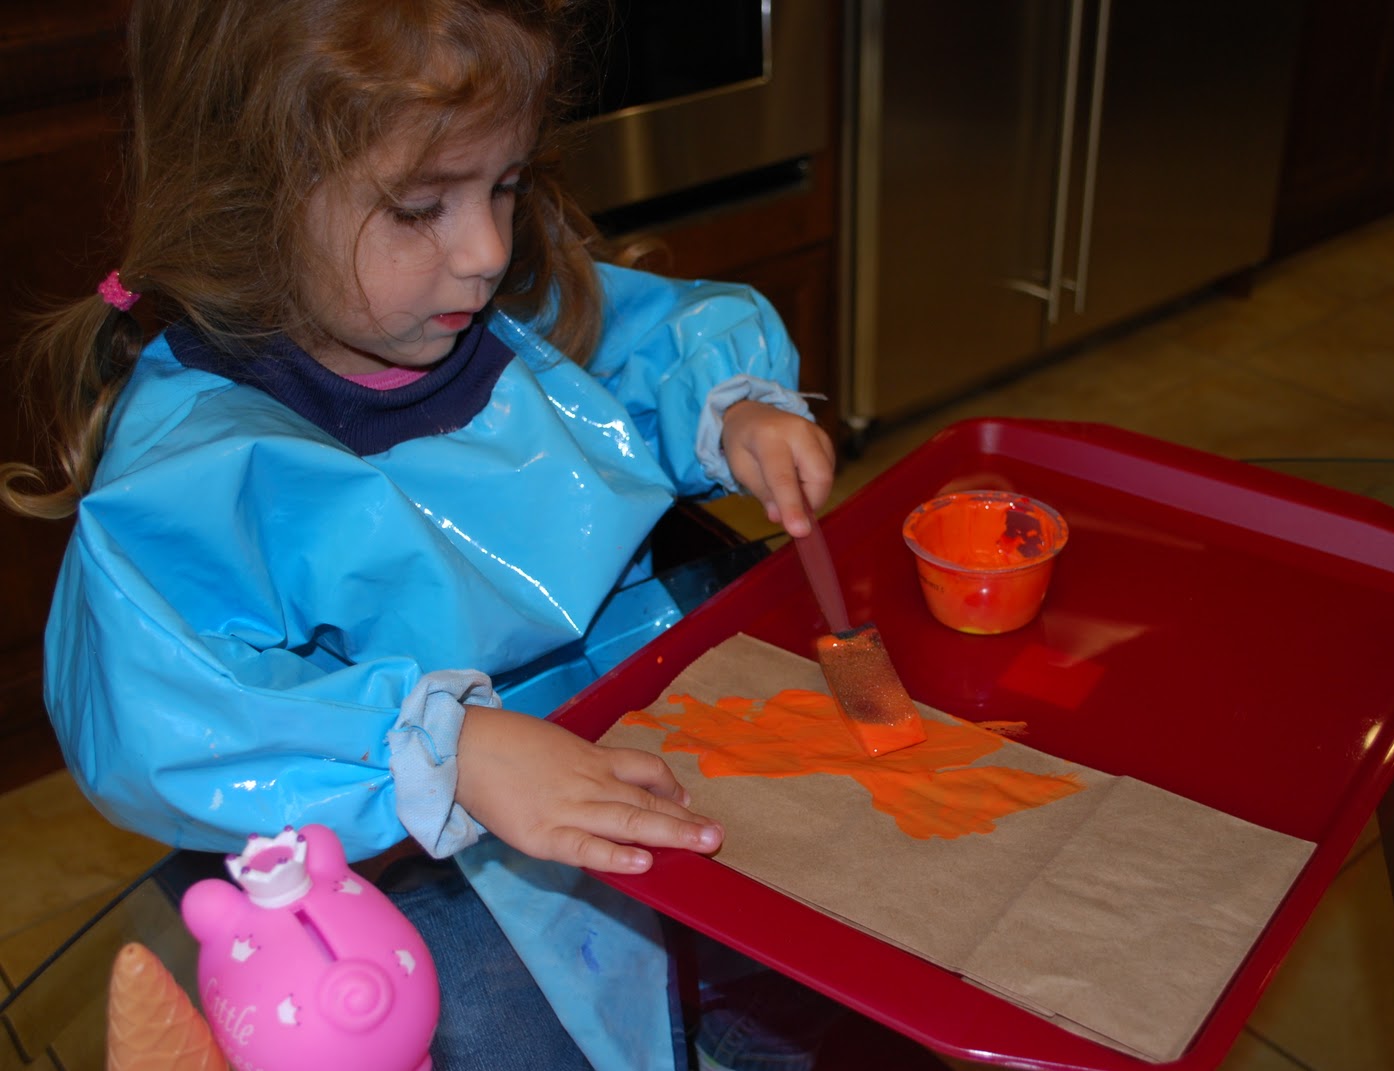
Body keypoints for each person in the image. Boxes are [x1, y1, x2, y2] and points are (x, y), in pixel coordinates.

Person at [0, 1, 842, 1068]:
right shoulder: (202, 464)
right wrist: (448, 749)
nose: (487, 251)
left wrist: (731, 406)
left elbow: (635, 338)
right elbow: (166, 711)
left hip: (640, 715)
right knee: (495, 1028)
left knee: (795, 953)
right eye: (417, 207)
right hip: (401, 836)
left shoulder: (500, 304)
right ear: (249, 202)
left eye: (506, 185)